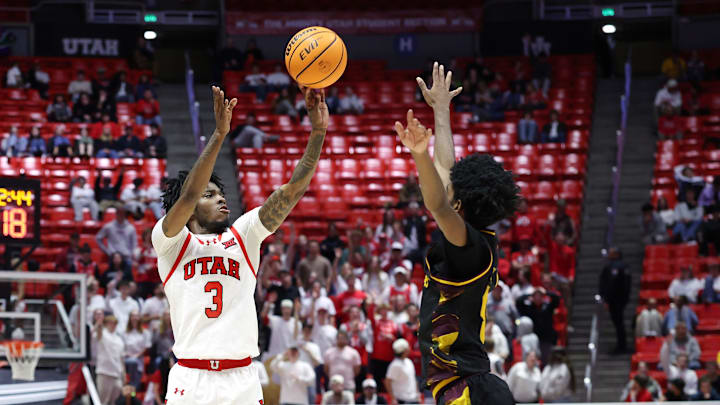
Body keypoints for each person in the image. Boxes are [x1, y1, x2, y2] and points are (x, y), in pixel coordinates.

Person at [151, 86, 327, 404]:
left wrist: (317, 132)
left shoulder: (243, 235)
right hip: (192, 378)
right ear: (187, 208)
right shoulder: (170, 243)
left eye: (221, 194)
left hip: (241, 378)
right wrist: (220, 134)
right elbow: (189, 194)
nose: (221, 198)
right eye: (210, 195)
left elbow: (289, 193)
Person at [406, 62, 517, 405]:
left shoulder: (467, 247)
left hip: (469, 389)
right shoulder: (476, 241)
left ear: (460, 205)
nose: (447, 181)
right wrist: (441, 110)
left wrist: (420, 155)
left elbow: (437, 203)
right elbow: (447, 174)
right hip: (471, 384)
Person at [599, 247, 631, 354]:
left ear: (617, 254)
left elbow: (619, 285)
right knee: (618, 322)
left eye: (611, 253)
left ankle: (622, 345)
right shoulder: (610, 266)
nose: (609, 254)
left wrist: (607, 298)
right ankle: (621, 344)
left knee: (619, 322)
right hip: (616, 300)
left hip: (616, 300)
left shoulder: (618, 266)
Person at [516, 287, 560, 362]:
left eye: (540, 296)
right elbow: (518, 302)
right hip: (533, 338)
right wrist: (530, 294)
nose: (538, 298)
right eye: (536, 296)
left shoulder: (547, 307)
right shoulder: (529, 308)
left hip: (546, 339)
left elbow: (556, 298)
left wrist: (545, 292)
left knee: (546, 360)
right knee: (534, 359)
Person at [94, 315, 126, 405]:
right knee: (103, 402)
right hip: (105, 373)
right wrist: (99, 324)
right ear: (106, 324)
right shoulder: (103, 334)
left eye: (115, 323)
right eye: (110, 323)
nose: (113, 325)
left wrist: (123, 375)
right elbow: (98, 333)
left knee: (115, 402)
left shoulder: (119, 339)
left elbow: (121, 359)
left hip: (117, 374)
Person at [122, 311, 151, 389]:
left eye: (136, 316)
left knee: (135, 362)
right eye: (133, 316)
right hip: (126, 359)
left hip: (138, 359)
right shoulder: (125, 332)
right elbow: (122, 347)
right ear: (130, 318)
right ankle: (131, 386)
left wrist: (137, 355)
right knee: (132, 362)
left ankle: (133, 389)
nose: (135, 318)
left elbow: (147, 346)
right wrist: (128, 355)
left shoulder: (145, 333)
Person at [385, 338, 419, 404]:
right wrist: (393, 398)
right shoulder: (395, 365)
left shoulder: (409, 361)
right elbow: (388, 382)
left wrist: (417, 393)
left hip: (414, 399)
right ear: (405, 350)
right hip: (402, 400)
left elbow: (413, 379)